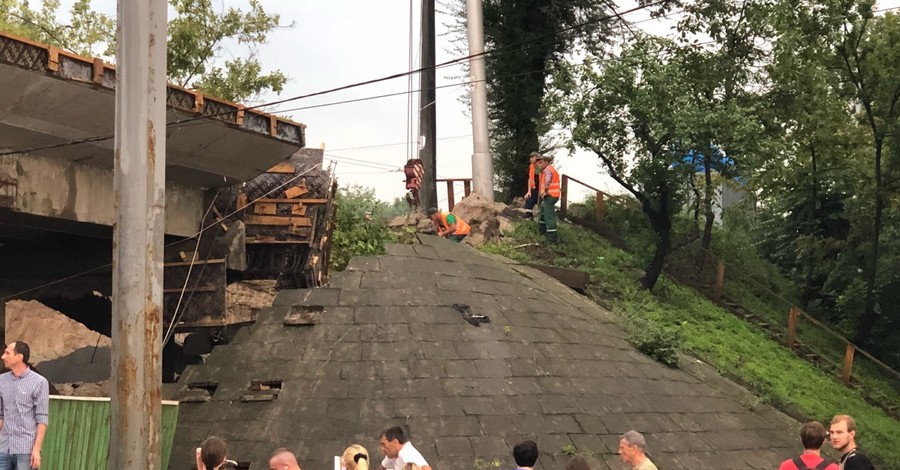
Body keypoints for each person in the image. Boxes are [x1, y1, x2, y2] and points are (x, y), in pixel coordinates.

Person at [0, 341, 49, 470]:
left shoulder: (39, 382)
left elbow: (42, 418)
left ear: (19, 357)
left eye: (7, 353)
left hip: (26, 449)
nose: (3, 356)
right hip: (3, 448)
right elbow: (1, 415)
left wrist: (37, 450)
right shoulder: (2, 380)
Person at [536, 155, 561, 243]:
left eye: (541, 162)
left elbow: (547, 181)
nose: (540, 165)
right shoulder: (549, 170)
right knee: (543, 213)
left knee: (549, 216)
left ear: (546, 162)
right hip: (551, 196)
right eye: (539, 163)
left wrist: (545, 191)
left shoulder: (548, 170)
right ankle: (541, 233)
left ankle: (552, 240)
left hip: (550, 195)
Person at [523, 151, 541, 218]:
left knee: (536, 200)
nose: (530, 159)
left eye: (532, 157)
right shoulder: (531, 166)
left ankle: (531, 215)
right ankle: (529, 214)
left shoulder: (541, 166)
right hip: (534, 186)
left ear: (536, 157)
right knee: (529, 197)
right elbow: (530, 179)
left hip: (540, 187)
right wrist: (529, 191)